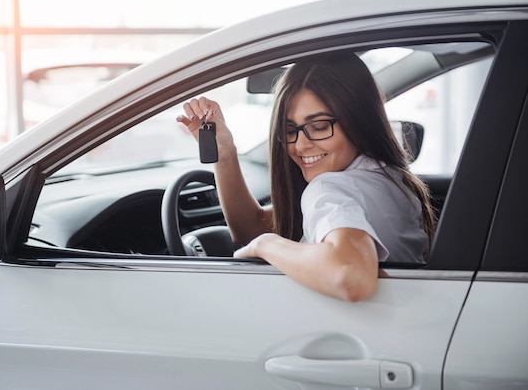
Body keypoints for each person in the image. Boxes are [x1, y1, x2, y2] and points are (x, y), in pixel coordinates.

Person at [177, 52, 436, 302]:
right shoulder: (390, 178)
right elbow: (252, 229)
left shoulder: (328, 189)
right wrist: (225, 155)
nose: (300, 145)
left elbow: (352, 276)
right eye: (290, 129)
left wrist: (267, 245)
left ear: (358, 120)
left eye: (319, 126)